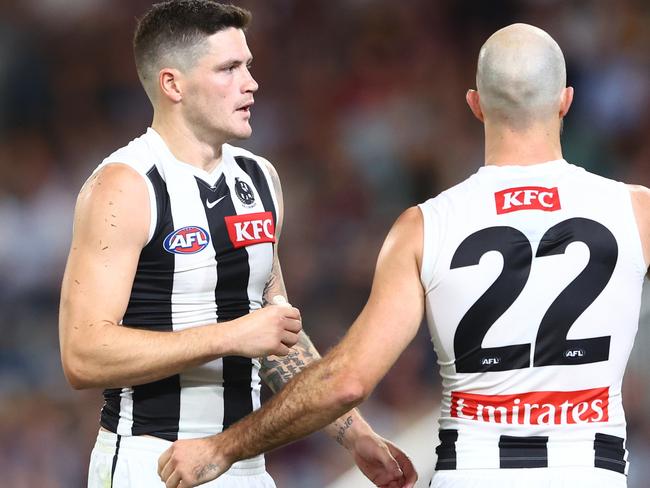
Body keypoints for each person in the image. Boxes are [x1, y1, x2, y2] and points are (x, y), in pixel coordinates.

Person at [157, 22, 650, 488]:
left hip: (472, 473)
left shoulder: (425, 226)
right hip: (590, 471)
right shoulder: (636, 210)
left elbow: (347, 382)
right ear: (565, 102)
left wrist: (223, 447)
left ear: (475, 105)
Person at [58, 1, 416, 487]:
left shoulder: (260, 178)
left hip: (240, 459)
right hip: (153, 461)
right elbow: (83, 354)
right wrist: (231, 335)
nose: (251, 83)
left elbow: (275, 336)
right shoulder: (125, 186)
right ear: (172, 85)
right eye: (229, 68)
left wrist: (353, 433)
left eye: (247, 65)